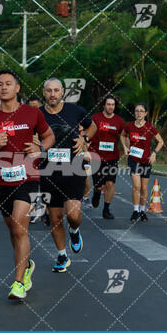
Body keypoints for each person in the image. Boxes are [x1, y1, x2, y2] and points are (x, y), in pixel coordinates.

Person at [0, 70, 54, 300]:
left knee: (20, 228)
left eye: (9, 84)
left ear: (17, 88)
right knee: (13, 230)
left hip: (28, 177)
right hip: (3, 180)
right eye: (0, 84)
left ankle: (18, 283)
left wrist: (41, 150)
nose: (4, 87)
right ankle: (27, 265)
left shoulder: (32, 113)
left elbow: (48, 136)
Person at [39, 78, 96, 273]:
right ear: (44, 92)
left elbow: (92, 126)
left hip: (74, 169)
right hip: (48, 172)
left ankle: (74, 230)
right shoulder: (37, 114)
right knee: (54, 218)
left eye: (56, 90)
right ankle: (62, 255)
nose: (52, 94)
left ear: (62, 92)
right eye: (49, 90)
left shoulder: (75, 110)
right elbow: (30, 135)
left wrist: (85, 138)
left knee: (73, 214)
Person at [120, 103, 164, 222]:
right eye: (136, 111)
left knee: (144, 188)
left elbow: (161, 142)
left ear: (145, 113)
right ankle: (135, 211)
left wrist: (154, 153)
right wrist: (125, 147)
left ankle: (142, 210)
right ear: (134, 113)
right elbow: (123, 136)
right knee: (136, 186)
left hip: (146, 161)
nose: (138, 113)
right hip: (133, 160)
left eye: (141, 111)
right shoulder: (129, 126)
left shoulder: (150, 127)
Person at [89, 94, 126, 219]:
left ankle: (106, 209)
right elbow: (87, 133)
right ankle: (96, 192)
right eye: (108, 104)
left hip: (112, 157)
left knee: (110, 183)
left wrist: (127, 148)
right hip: (96, 157)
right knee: (98, 185)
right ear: (104, 105)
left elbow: (125, 136)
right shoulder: (95, 118)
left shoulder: (120, 121)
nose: (111, 107)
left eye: (113, 105)